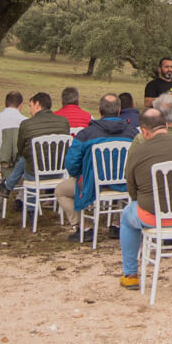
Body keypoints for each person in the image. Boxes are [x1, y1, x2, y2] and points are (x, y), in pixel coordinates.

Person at [118, 108, 172, 289]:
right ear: (167, 125)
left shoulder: (138, 151)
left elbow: (132, 191)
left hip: (154, 217)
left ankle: (131, 274)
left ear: (143, 131)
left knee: (127, 214)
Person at [57, 93, 137, 240]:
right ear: (119, 111)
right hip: (124, 183)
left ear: (99, 111)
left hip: (92, 183)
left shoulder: (86, 134)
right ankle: (116, 223)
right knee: (119, 180)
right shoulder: (133, 134)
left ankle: (84, 226)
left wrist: (80, 173)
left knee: (60, 190)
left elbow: (71, 163)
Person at [0, 92, 69, 197]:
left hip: (36, 174)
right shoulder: (64, 122)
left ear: (37, 104)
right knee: (29, 157)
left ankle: (28, 208)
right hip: (59, 172)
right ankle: (6, 186)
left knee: (26, 157)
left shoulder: (27, 124)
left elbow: (21, 149)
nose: (30, 110)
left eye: (31, 106)